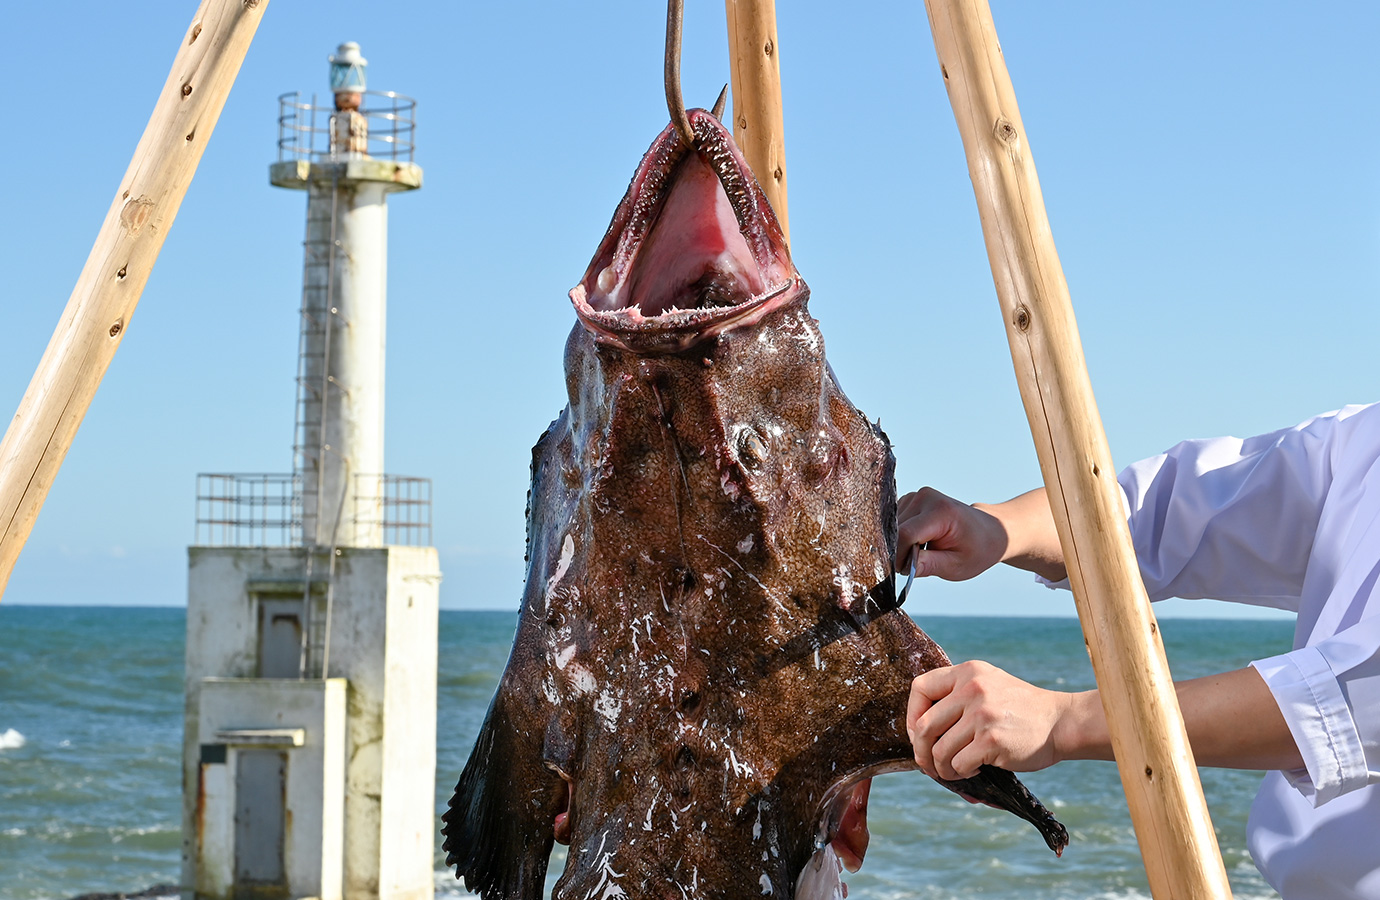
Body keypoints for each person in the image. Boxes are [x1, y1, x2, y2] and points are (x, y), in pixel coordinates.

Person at [896, 403, 1380, 900]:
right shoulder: (1365, 440)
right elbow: (1163, 511)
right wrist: (997, 527)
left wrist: (1063, 721)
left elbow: (1349, 703)